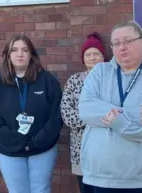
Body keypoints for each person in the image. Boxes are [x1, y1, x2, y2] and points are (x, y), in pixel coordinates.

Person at [78, 21, 142, 193]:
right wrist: (137, 115)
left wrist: (119, 122)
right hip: (102, 175)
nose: (122, 47)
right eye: (116, 43)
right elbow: (85, 109)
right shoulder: (99, 72)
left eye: (128, 41)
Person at [0, 34, 63, 193]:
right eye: (14, 50)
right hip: (9, 150)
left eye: (25, 50)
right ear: (8, 54)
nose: (20, 54)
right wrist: (17, 141)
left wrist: (36, 141)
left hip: (42, 148)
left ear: (31, 54)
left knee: (41, 189)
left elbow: (57, 115)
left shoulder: (47, 81)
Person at [61, 32, 106, 193]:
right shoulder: (74, 81)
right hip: (80, 151)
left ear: (103, 57)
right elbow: (67, 115)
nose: (92, 58)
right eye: (88, 54)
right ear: (83, 58)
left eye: (96, 54)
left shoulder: (111, 81)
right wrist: (96, 118)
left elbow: (114, 112)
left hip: (106, 149)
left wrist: (91, 115)